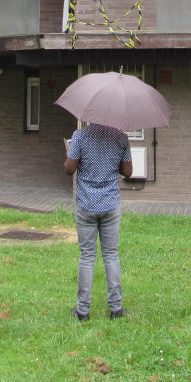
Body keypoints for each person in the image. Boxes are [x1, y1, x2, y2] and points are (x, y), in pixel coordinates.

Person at [64, 122, 132, 321]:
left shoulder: (79, 136)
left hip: (86, 204)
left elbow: (69, 169)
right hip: (110, 204)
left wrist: (68, 155)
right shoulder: (121, 137)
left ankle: (83, 311)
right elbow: (127, 172)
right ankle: (116, 309)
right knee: (111, 255)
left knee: (87, 256)